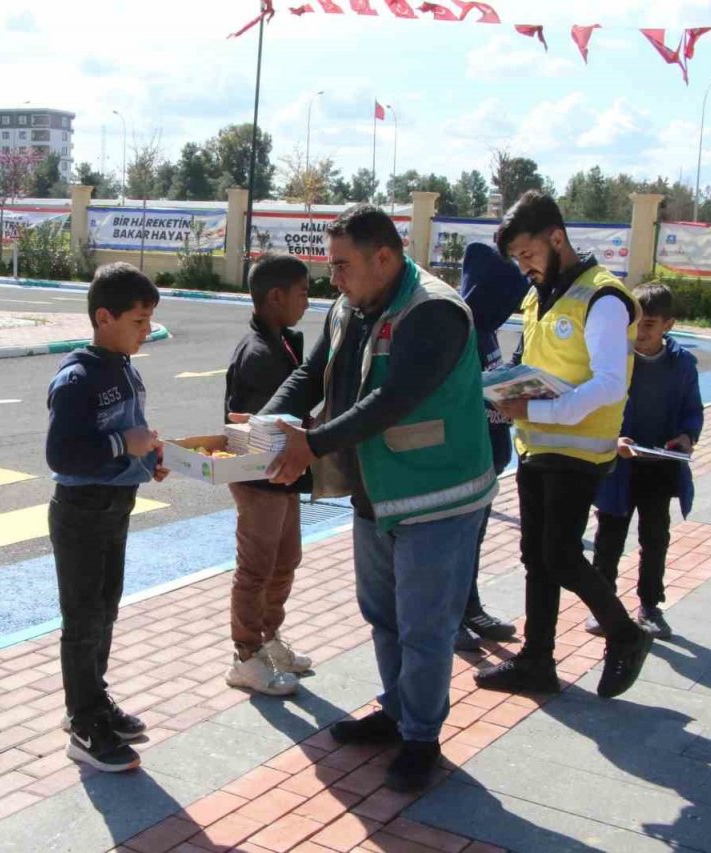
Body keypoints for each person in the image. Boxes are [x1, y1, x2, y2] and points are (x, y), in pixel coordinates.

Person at [245, 204, 498, 793]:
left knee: (425, 626)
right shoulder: (350, 305)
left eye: (341, 265)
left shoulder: (432, 311)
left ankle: (422, 739)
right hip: (376, 494)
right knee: (382, 614)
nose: (332, 278)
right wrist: (265, 422)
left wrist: (312, 445)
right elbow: (312, 376)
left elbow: (393, 400)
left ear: (384, 257)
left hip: (438, 495)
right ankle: (397, 711)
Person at [475, 191, 653, 700]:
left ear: (558, 238)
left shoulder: (603, 297)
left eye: (529, 254)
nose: (524, 266)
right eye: (517, 259)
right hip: (538, 445)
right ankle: (537, 661)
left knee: (559, 553)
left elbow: (608, 385)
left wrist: (537, 410)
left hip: (578, 450)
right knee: (536, 555)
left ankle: (625, 634)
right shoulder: (538, 295)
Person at [46, 262, 167, 773]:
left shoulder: (124, 367)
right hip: (81, 512)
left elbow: (129, 434)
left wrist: (149, 459)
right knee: (83, 619)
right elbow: (62, 455)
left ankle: (96, 700)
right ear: (104, 317)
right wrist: (123, 444)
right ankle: (83, 722)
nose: (146, 330)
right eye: (138, 321)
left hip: (116, 506)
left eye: (148, 320)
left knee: (106, 609)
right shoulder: (76, 379)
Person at [590, 283, 703, 640]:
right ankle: (603, 606)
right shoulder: (615, 359)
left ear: (668, 325)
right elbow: (595, 406)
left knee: (655, 538)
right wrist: (613, 440)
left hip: (660, 466)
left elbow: (692, 410)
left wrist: (686, 437)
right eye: (635, 323)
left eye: (650, 324)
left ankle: (650, 604)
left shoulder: (682, 364)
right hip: (617, 466)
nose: (640, 332)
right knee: (609, 538)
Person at [223, 254, 313, 695]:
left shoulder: (283, 341)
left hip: (284, 475)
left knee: (285, 561)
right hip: (260, 479)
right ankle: (245, 656)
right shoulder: (258, 353)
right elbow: (256, 426)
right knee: (256, 569)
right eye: (302, 293)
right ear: (275, 297)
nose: (308, 302)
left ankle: (268, 639)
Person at [453, 242, 531, 651]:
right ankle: (450, 617)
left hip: (488, 460)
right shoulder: (459, 331)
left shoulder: (484, 331)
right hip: (462, 464)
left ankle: (470, 606)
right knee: (455, 546)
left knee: (474, 541)